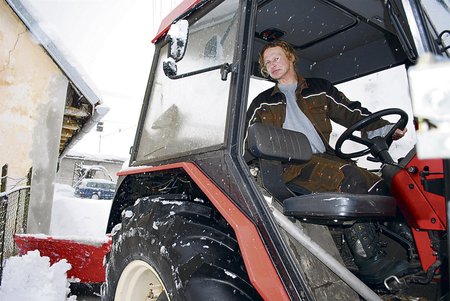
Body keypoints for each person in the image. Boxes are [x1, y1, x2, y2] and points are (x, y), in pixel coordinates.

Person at [246, 40, 409, 285]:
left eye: (277, 58)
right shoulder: (262, 102)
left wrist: (384, 127)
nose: (272, 65)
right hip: (288, 167)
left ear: (291, 58)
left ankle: (404, 242)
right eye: (267, 62)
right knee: (351, 178)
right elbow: (247, 139)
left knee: (385, 182)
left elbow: (352, 113)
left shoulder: (319, 89)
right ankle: (370, 262)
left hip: (323, 159)